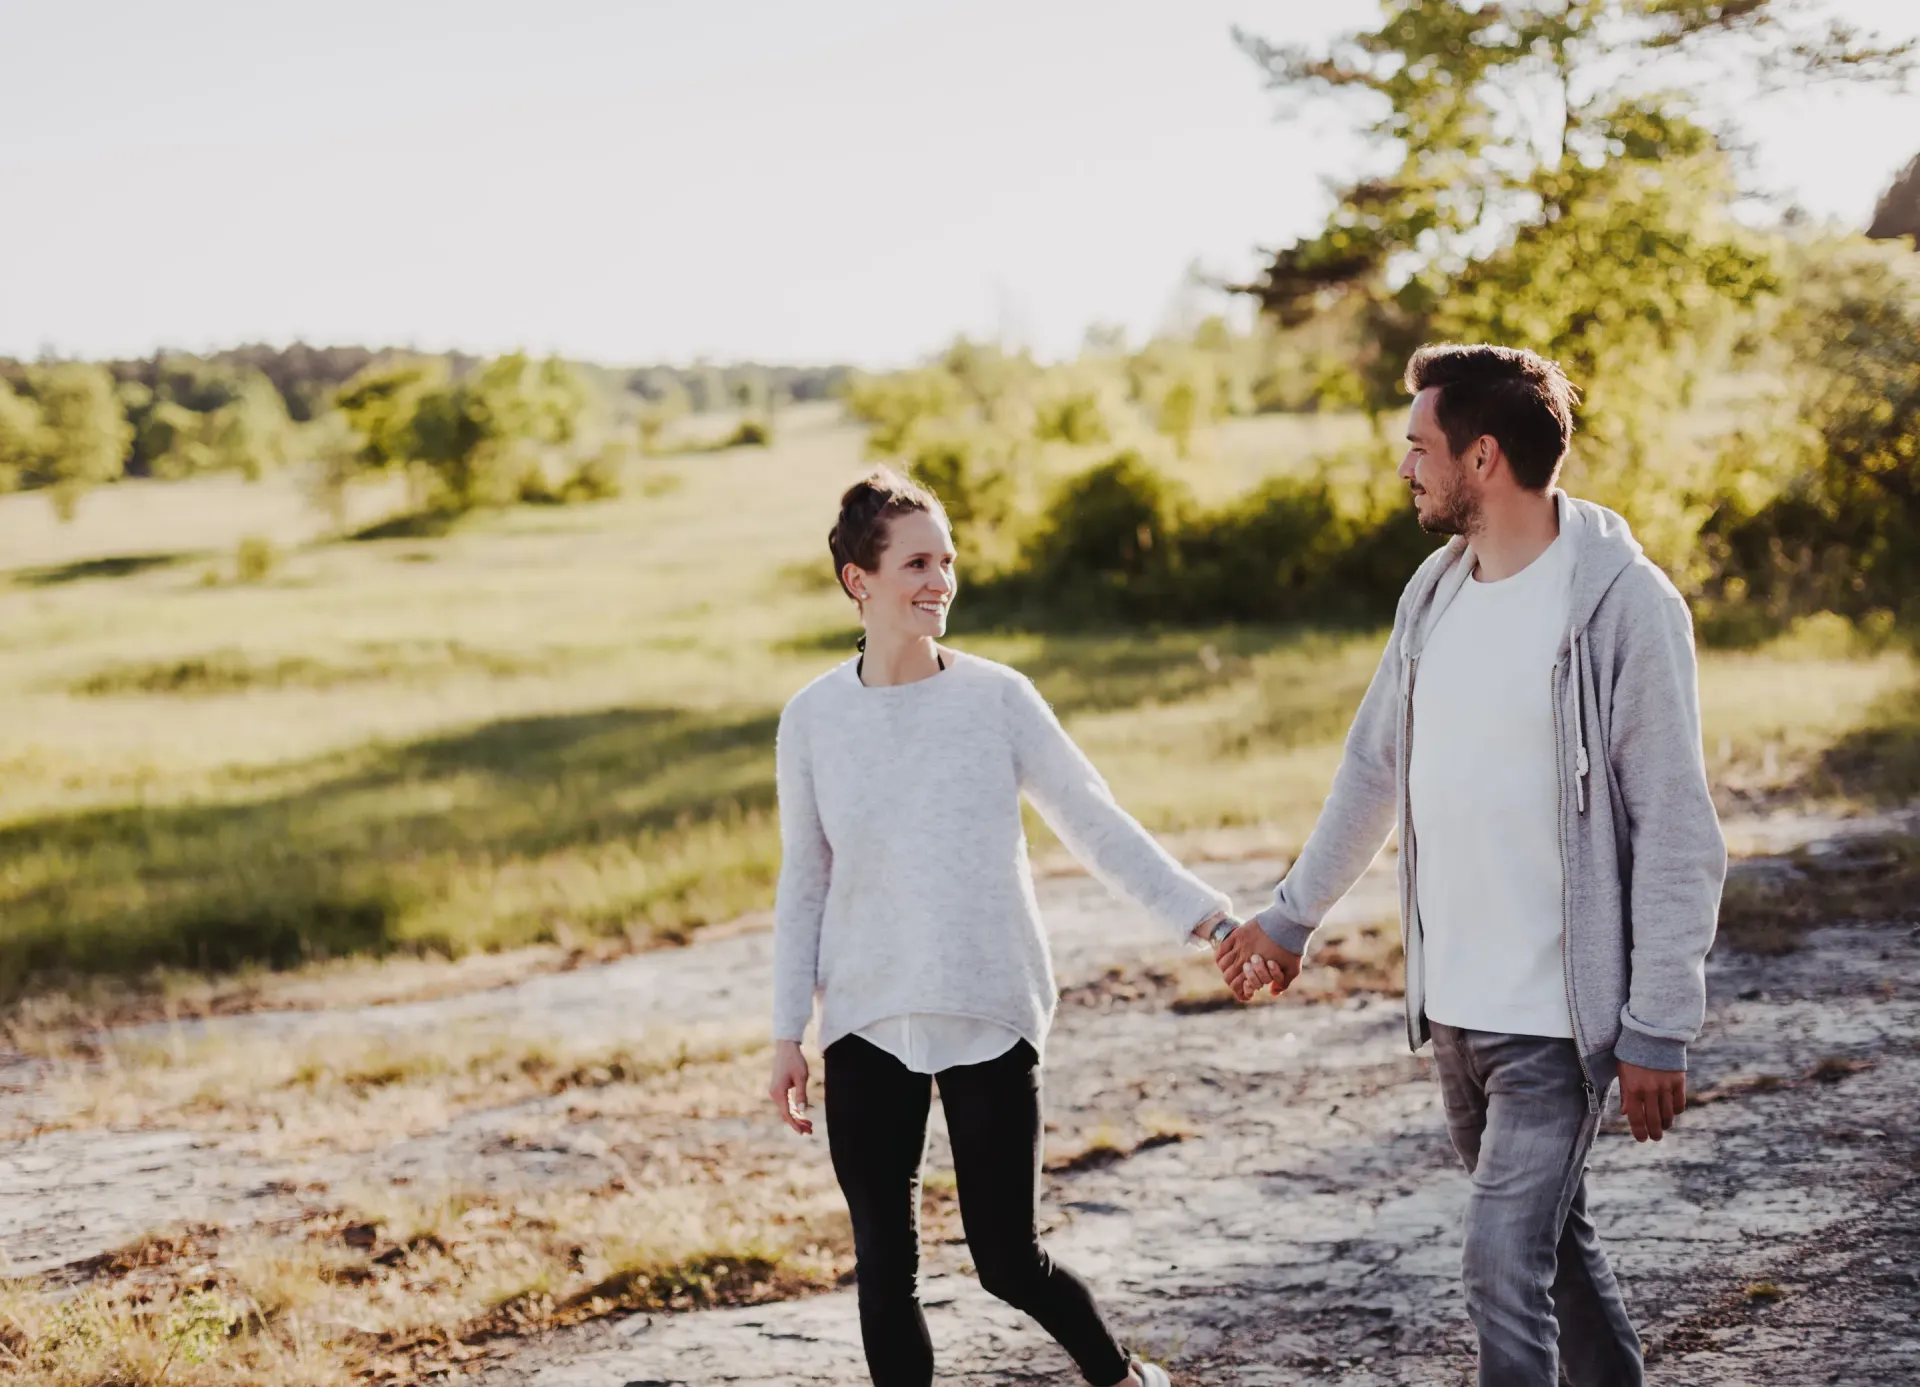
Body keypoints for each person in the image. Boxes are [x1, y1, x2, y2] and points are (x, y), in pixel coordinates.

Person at [1215, 344, 1727, 1387]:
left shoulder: (1623, 607)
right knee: (1557, 1255)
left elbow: (1676, 823)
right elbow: (1373, 772)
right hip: (1456, 1011)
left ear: (1482, 457)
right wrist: (1290, 916)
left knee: (1500, 1265)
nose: (1406, 467)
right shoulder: (1435, 594)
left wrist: (1660, 1020)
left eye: (1419, 446)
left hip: (1560, 1023)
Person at [768, 468, 1234, 1387]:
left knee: (1007, 1261)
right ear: (860, 580)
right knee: (884, 1266)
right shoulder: (812, 718)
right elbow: (804, 883)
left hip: (987, 1002)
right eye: (916, 562)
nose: (939, 579)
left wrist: (1209, 919)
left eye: (946, 559)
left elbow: (1096, 824)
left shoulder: (998, 699)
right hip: (865, 1018)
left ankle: (1128, 1380)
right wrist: (788, 1029)